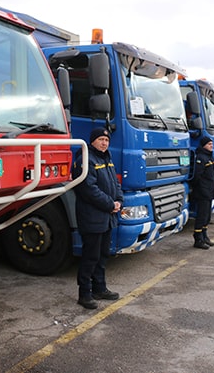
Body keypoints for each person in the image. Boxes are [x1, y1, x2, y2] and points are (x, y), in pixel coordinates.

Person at [72, 127, 123, 310]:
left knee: (102, 255)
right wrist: (111, 205)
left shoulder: (107, 159)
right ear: (92, 141)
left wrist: (119, 200)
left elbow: (115, 183)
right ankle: (85, 294)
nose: (104, 143)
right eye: (101, 139)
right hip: (92, 217)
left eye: (107, 140)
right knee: (90, 257)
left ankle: (99, 288)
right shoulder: (85, 160)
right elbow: (89, 190)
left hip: (106, 218)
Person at [190, 136, 214, 249]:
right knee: (201, 216)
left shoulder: (210, 157)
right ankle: (198, 239)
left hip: (209, 191)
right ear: (204, 145)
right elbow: (197, 176)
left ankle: (205, 236)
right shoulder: (201, 158)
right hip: (203, 192)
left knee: (207, 216)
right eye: (209, 144)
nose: (212, 146)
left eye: (212, 144)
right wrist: (202, 189)